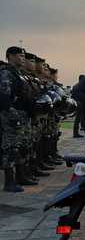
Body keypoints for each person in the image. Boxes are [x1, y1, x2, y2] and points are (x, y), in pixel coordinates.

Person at [0, 47, 36, 192]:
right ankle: (9, 181)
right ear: (10, 56)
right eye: (19, 56)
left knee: (20, 146)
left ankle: (21, 176)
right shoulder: (6, 73)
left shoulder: (19, 74)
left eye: (23, 56)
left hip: (22, 114)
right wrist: (12, 114)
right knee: (10, 147)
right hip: (11, 115)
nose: (22, 58)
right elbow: (4, 97)